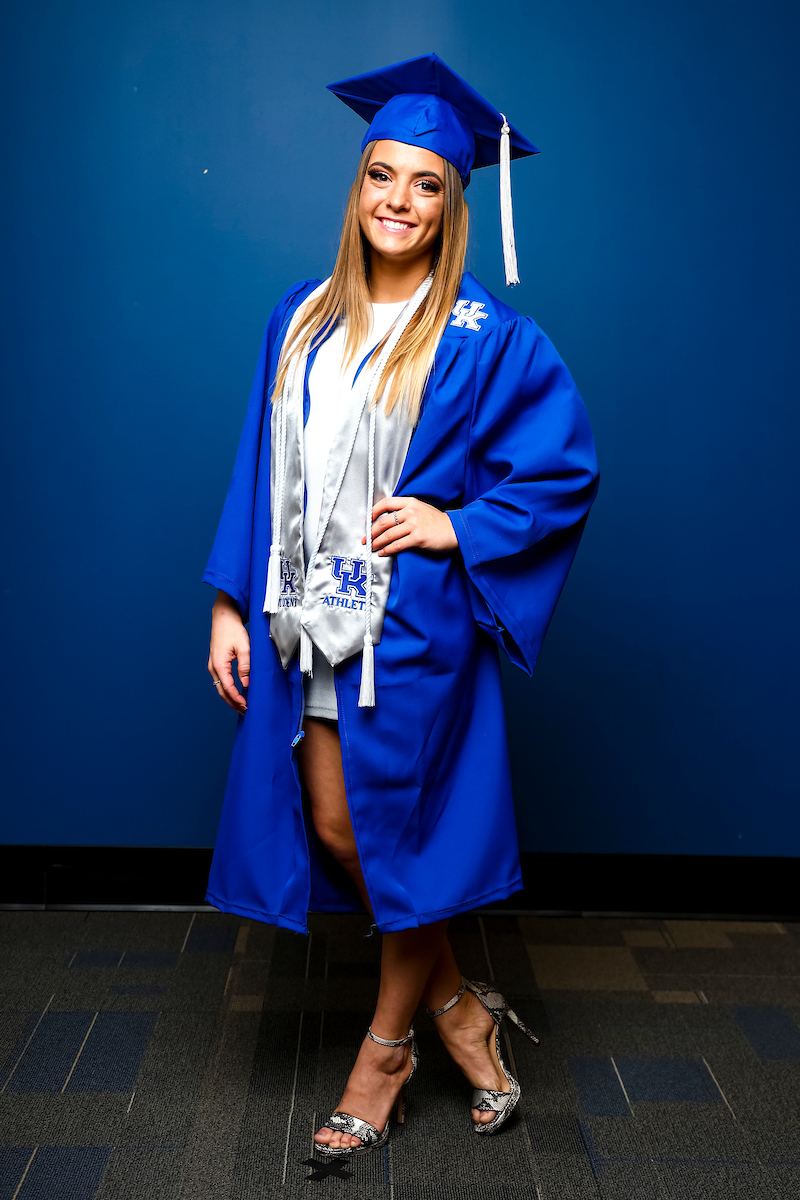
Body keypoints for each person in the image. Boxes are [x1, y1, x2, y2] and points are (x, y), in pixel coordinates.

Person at [204, 53, 598, 1156]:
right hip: (300, 623)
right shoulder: (301, 317)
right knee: (343, 827)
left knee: (394, 832)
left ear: (454, 204)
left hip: (409, 634)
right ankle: (460, 1012)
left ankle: (381, 1060)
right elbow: (257, 461)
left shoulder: (484, 339)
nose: (399, 201)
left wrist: (458, 525)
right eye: (383, 175)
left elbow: (561, 468)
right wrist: (230, 603)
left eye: (427, 184)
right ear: (357, 185)